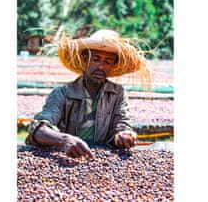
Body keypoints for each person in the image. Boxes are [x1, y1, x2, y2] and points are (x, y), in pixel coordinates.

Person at [26, 29, 151, 158]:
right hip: (67, 158)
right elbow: (38, 129)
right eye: (96, 59)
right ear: (85, 60)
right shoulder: (62, 93)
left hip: (101, 159)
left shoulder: (117, 93)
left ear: (113, 65)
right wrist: (64, 140)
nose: (101, 67)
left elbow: (122, 123)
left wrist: (123, 135)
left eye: (107, 62)